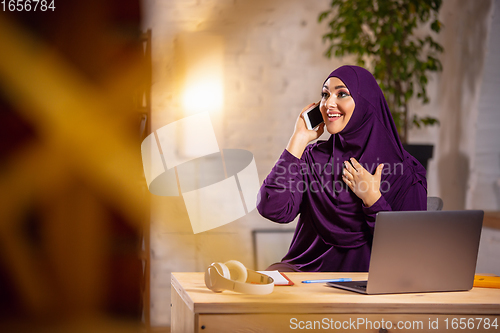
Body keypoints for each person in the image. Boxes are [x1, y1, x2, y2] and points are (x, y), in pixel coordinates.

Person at [256, 65, 427, 272]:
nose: (329, 103)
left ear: (365, 104)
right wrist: (298, 140)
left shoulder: (405, 173)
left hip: (367, 285)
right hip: (306, 277)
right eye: (325, 94)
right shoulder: (312, 158)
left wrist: (373, 200)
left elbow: (409, 255)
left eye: (342, 94)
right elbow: (272, 208)